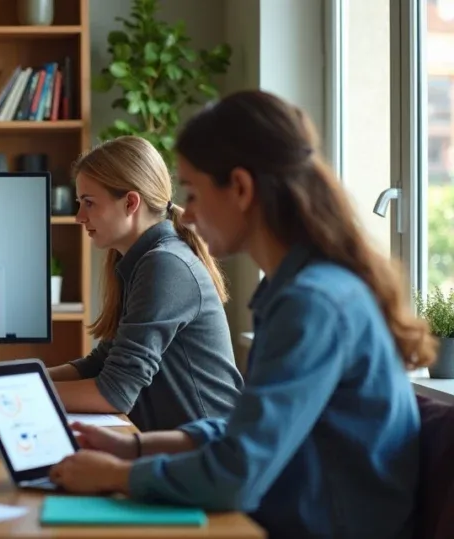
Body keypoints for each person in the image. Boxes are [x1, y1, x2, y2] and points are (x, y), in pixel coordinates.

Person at [48, 90, 435, 539]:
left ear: (241, 188)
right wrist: (134, 448)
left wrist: (116, 475)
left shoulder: (311, 303)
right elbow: (243, 428)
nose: (186, 212)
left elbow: (238, 473)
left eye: (193, 191)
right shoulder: (291, 289)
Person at [0, 137, 243, 432]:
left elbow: (115, 392)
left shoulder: (165, 264)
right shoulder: (141, 261)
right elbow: (101, 363)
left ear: (131, 202)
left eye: (89, 203)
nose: (79, 217)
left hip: (208, 453)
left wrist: (2, 395)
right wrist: (4, 380)